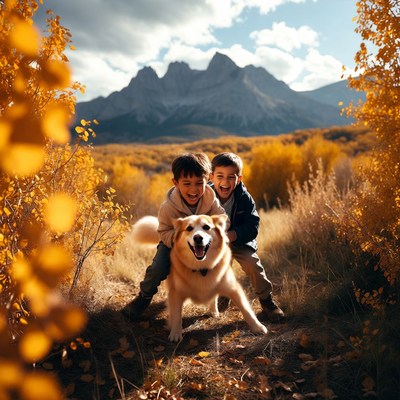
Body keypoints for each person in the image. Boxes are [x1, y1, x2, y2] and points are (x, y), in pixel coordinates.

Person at [122, 152, 226, 320]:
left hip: (203, 244)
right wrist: (182, 242)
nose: (194, 189)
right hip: (173, 244)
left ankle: (216, 301)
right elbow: (163, 232)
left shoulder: (211, 201)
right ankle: (144, 297)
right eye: (187, 183)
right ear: (176, 183)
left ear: (208, 181)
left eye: (199, 183)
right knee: (158, 268)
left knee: (217, 264)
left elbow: (222, 222)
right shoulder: (168, 207)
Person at [210, 152, 285, 321]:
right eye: (220, 176)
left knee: (252, 265)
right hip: (216, 242)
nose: (225, 182)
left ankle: (267, 302)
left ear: (239, 179)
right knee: (219, 268)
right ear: (211, 177)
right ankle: (223, 294)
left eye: (231, 177)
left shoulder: (244, 198)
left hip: (240, 240)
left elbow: (252, 226)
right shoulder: (206, 196)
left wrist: (234, 235)